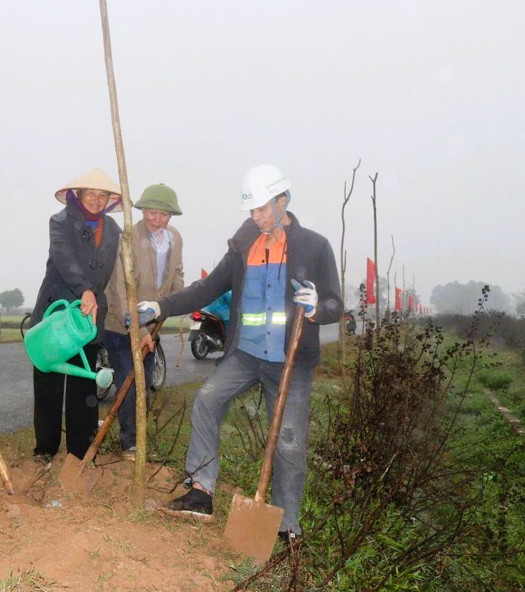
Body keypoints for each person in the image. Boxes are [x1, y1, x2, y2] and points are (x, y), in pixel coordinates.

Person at [137, 164, 342, 541]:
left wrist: (318, 307)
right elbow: (206, 289)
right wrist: (161, 306)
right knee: (207, 401)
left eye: (262, 208)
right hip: (245, 354)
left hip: (289, 361)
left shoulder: (314, 247)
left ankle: (286, 524)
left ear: (284, 201)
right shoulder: (243, 247)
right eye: (251, 210)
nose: (256, 216)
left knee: (289, 440)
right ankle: (201, 491)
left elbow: (335, 303)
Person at [30, 168, 123, 463]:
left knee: (84, 382)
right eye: (90, 194)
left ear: (109, 200)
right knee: (50, 378)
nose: (96, 200)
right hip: (57, 309)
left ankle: (80, 452)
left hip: (89, 315)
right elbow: (64, 258)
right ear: (78, 195)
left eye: (103, 195)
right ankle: (45, 448)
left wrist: (93, 296)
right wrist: (84, 289)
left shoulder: (113, 229)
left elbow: (108, 270)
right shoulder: (60, 221)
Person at [103, 183, 185, 459]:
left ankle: (137, 439)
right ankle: (129, 445)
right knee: (131, 382)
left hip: (152, 325)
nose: (157, 220)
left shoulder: (174, 238)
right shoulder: (127, 238)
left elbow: (177, 274)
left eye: (163, 215)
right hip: (121, 325)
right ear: (142, 211)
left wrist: (175, 302)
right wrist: (137, 329)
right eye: (152, 213)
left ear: (171, 216)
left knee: (145, 384)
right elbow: (119, 287)